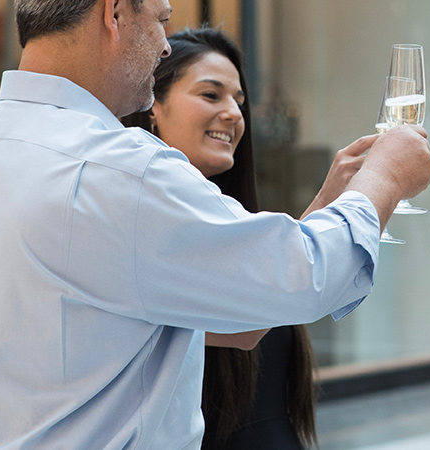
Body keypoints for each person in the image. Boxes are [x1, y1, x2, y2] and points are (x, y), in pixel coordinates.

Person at [0, 0, 430, 448]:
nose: (164, 45)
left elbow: (241, 321)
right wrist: (386, 175)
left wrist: (327, 204)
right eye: (160, 18)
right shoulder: (120, 170)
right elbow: (308, 275)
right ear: (114, 14)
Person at [121, 28, 340, 449]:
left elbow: (275, 290)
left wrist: (331, 200)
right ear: (153, 108)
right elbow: (248, 324)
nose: (234, 114)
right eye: (211, 95)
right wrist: (372, 193)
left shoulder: (238, 224)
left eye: (239, 101)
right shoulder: (141, 235)